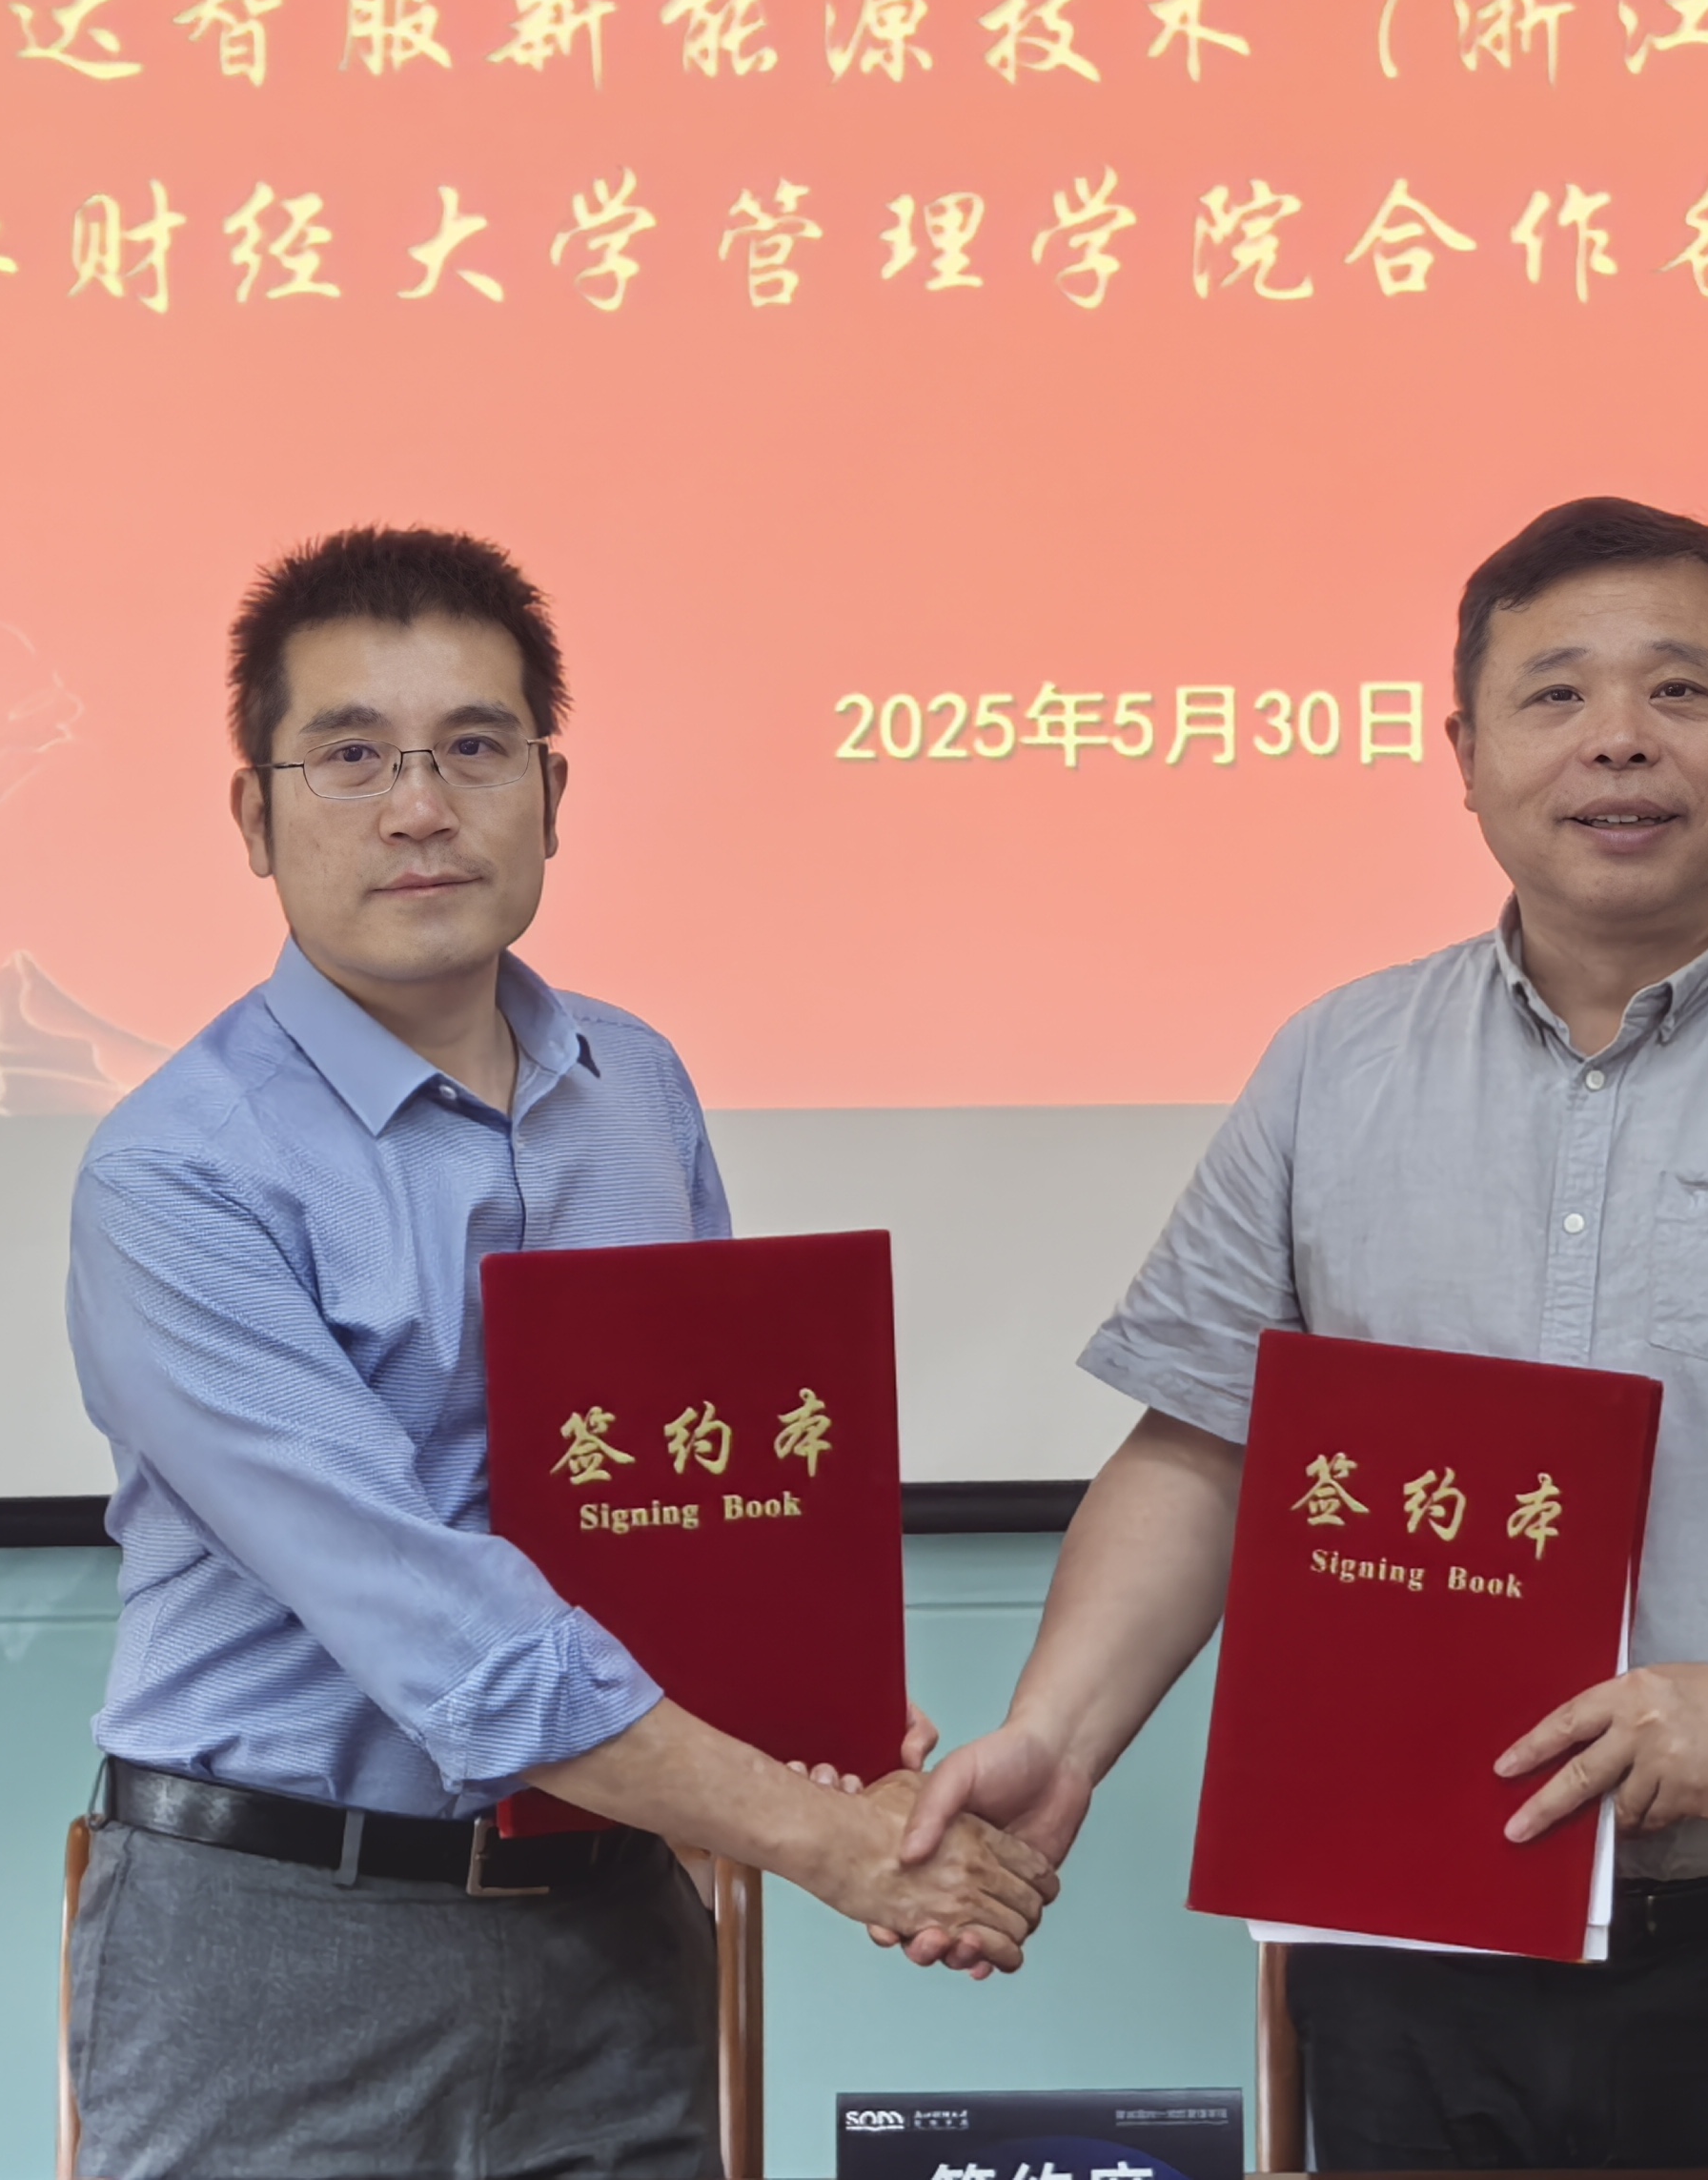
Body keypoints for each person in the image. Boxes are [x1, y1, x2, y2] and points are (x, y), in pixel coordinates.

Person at [897, 498, 1708, 2170]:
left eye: (1680, 691)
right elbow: (1205, 1446)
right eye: (1556, 695)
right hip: (1404, 1944)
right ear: (1466, 754)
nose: (1618, 741)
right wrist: (1058, 1745)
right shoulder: (1336, 1067)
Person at [64, 525, 1053, 2180]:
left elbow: (706, 1501)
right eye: (352, 755)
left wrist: (805, 1710)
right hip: (287, 1938)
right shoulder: (179, 1172)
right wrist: (830, 1835)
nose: (420, 807)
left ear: (551, 789)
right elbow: (432, 1615)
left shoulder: (636, 1090)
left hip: (615, 1927)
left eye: (475, 747)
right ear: (254, 814)